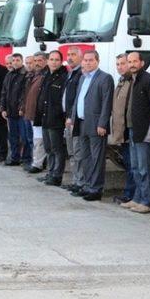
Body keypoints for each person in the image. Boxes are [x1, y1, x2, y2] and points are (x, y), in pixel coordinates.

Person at [68, 50, 114, 201]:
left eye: (90, 60)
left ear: (97, 61)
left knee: (97, 158)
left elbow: (107, 103)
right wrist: (73, 117)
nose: (87, 63)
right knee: (85, 156)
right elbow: (78, 99)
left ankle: (96, 189)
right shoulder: (82, 78)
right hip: (81, 123)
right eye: (85, 60)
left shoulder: (105, 78)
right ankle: (87, 185)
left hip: (96, 125)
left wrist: (103, 123)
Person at [121, 51, 150, 214]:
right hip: (132, 131)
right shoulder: (133, 80)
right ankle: (137, 198)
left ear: (142, 63)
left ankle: (146, 201)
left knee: (144, 168)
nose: (131, 64)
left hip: (144, 133)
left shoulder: (149, 81)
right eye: (129, 62)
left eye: (134, 61)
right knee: (135, 167)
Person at [36, 50, 68, 186]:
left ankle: (57, 175)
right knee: (48, 148)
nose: (54, 62)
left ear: (61, 62)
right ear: (47, 61)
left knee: (57, 149)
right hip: (45, 118)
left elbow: (63, 100)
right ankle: (50, 172)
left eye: (57, 60)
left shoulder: (63, 76)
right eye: (52, 59)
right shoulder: (46, 75)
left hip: (56, 119)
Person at [110, 53, 136, 204]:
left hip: (130, 130)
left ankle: (131, 195)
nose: (120, 67)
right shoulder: (121, 81)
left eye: (123, 63)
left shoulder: (132, 81)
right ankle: (129, 193)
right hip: (123, 132)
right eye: (118, 64)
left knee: (133, 165)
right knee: (128, 164)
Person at [62, 46, 84, 193]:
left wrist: (71, 116)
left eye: (73, 55)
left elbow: (78, 99)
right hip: (67, 119)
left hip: (74, 120)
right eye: (68, 55)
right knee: (71, 152)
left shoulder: (81, 74)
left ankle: (80, 182)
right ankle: (75, 180)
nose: (70, 57)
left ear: (80, 57)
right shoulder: (70, 74)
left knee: (78, 152)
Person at [1, 53, 29, 166]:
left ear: (22, 61)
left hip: (20, 112)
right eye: (14, 60)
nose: (15, 62)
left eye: (18, 60)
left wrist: (22, 107)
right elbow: (4, 92)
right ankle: (14, 157)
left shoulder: (25, 74)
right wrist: (3, 107)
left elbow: (25, 93)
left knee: (24, 136)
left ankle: (26, 158)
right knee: (13, 136)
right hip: (10, 111)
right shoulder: (9, 74)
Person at [22, 52, 48, 173]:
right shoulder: (33, 74)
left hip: (40, 114)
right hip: (31, 113)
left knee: (39, 140)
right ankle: (37, 162)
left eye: (40, 60)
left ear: (46, 61)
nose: (37, 63)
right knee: (35, 139)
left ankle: (38, 164)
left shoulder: (46, 75)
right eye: (36, 61)